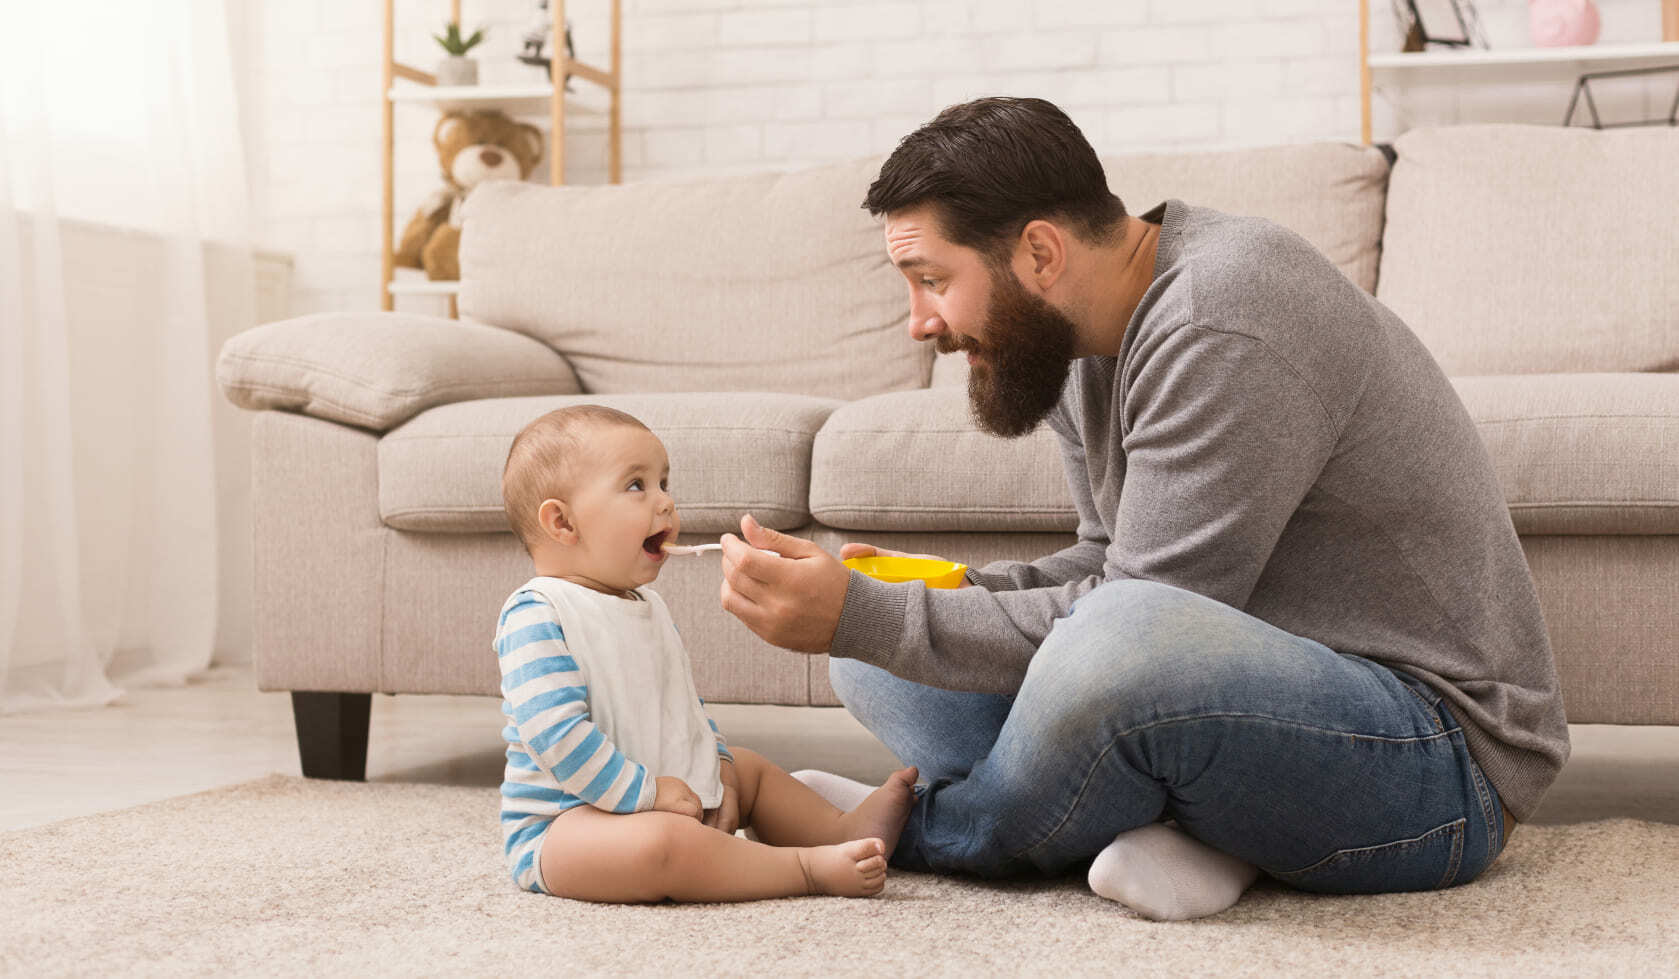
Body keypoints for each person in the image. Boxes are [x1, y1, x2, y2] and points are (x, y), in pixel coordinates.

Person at [715, 97, 1570, 920]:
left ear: (1040, 254)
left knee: (1093, 641)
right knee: (874, 651)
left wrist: (872, 616)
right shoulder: (1071, 337)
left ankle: (917, 830)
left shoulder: (1222, 316)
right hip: (1235, 696)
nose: (917, 322)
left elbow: (1140, 620)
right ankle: (1201, 835)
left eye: (932, 279)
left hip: (1433, 757)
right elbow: (1108, 561)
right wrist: (922, 595)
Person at [495, 404, 918, 903]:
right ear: (563, 523)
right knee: (662, 846)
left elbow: (682, 708)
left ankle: (843, 829)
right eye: (637, 486)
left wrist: (714, 762)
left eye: (664, 483)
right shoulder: (537, 614)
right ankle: (803, 868)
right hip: (567, 826)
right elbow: (558, 739)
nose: (666, 503)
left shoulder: (647, 607)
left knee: (749, 768)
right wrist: (647, 795)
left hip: (664, 792)